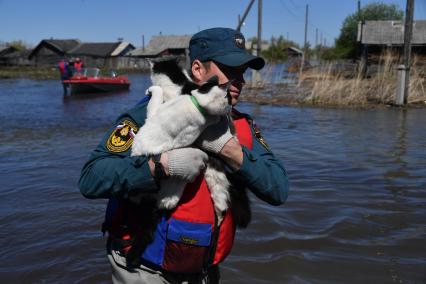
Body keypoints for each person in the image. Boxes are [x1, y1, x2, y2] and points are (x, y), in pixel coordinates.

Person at [79, 27, 289, 284]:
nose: (241, 81)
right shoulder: (153, 115)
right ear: (198, 70)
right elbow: (91, 176)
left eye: (242, 72)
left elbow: (278, 189)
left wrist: (229, 150)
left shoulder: (241, 125)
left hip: (203, 272)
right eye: (230, 71)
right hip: (144, 270)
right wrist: (161, 166)